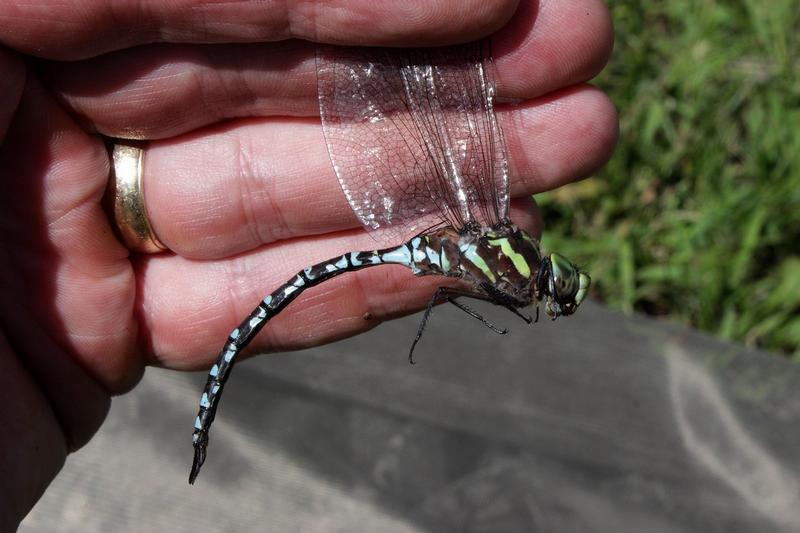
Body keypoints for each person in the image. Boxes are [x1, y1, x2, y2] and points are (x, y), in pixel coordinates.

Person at [0, 0, 616, 528]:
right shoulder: (512, 266)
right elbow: (458, 293)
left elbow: (453, 292)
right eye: (560, 288)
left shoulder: (504, 254)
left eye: (560, 288)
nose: (552, 291)